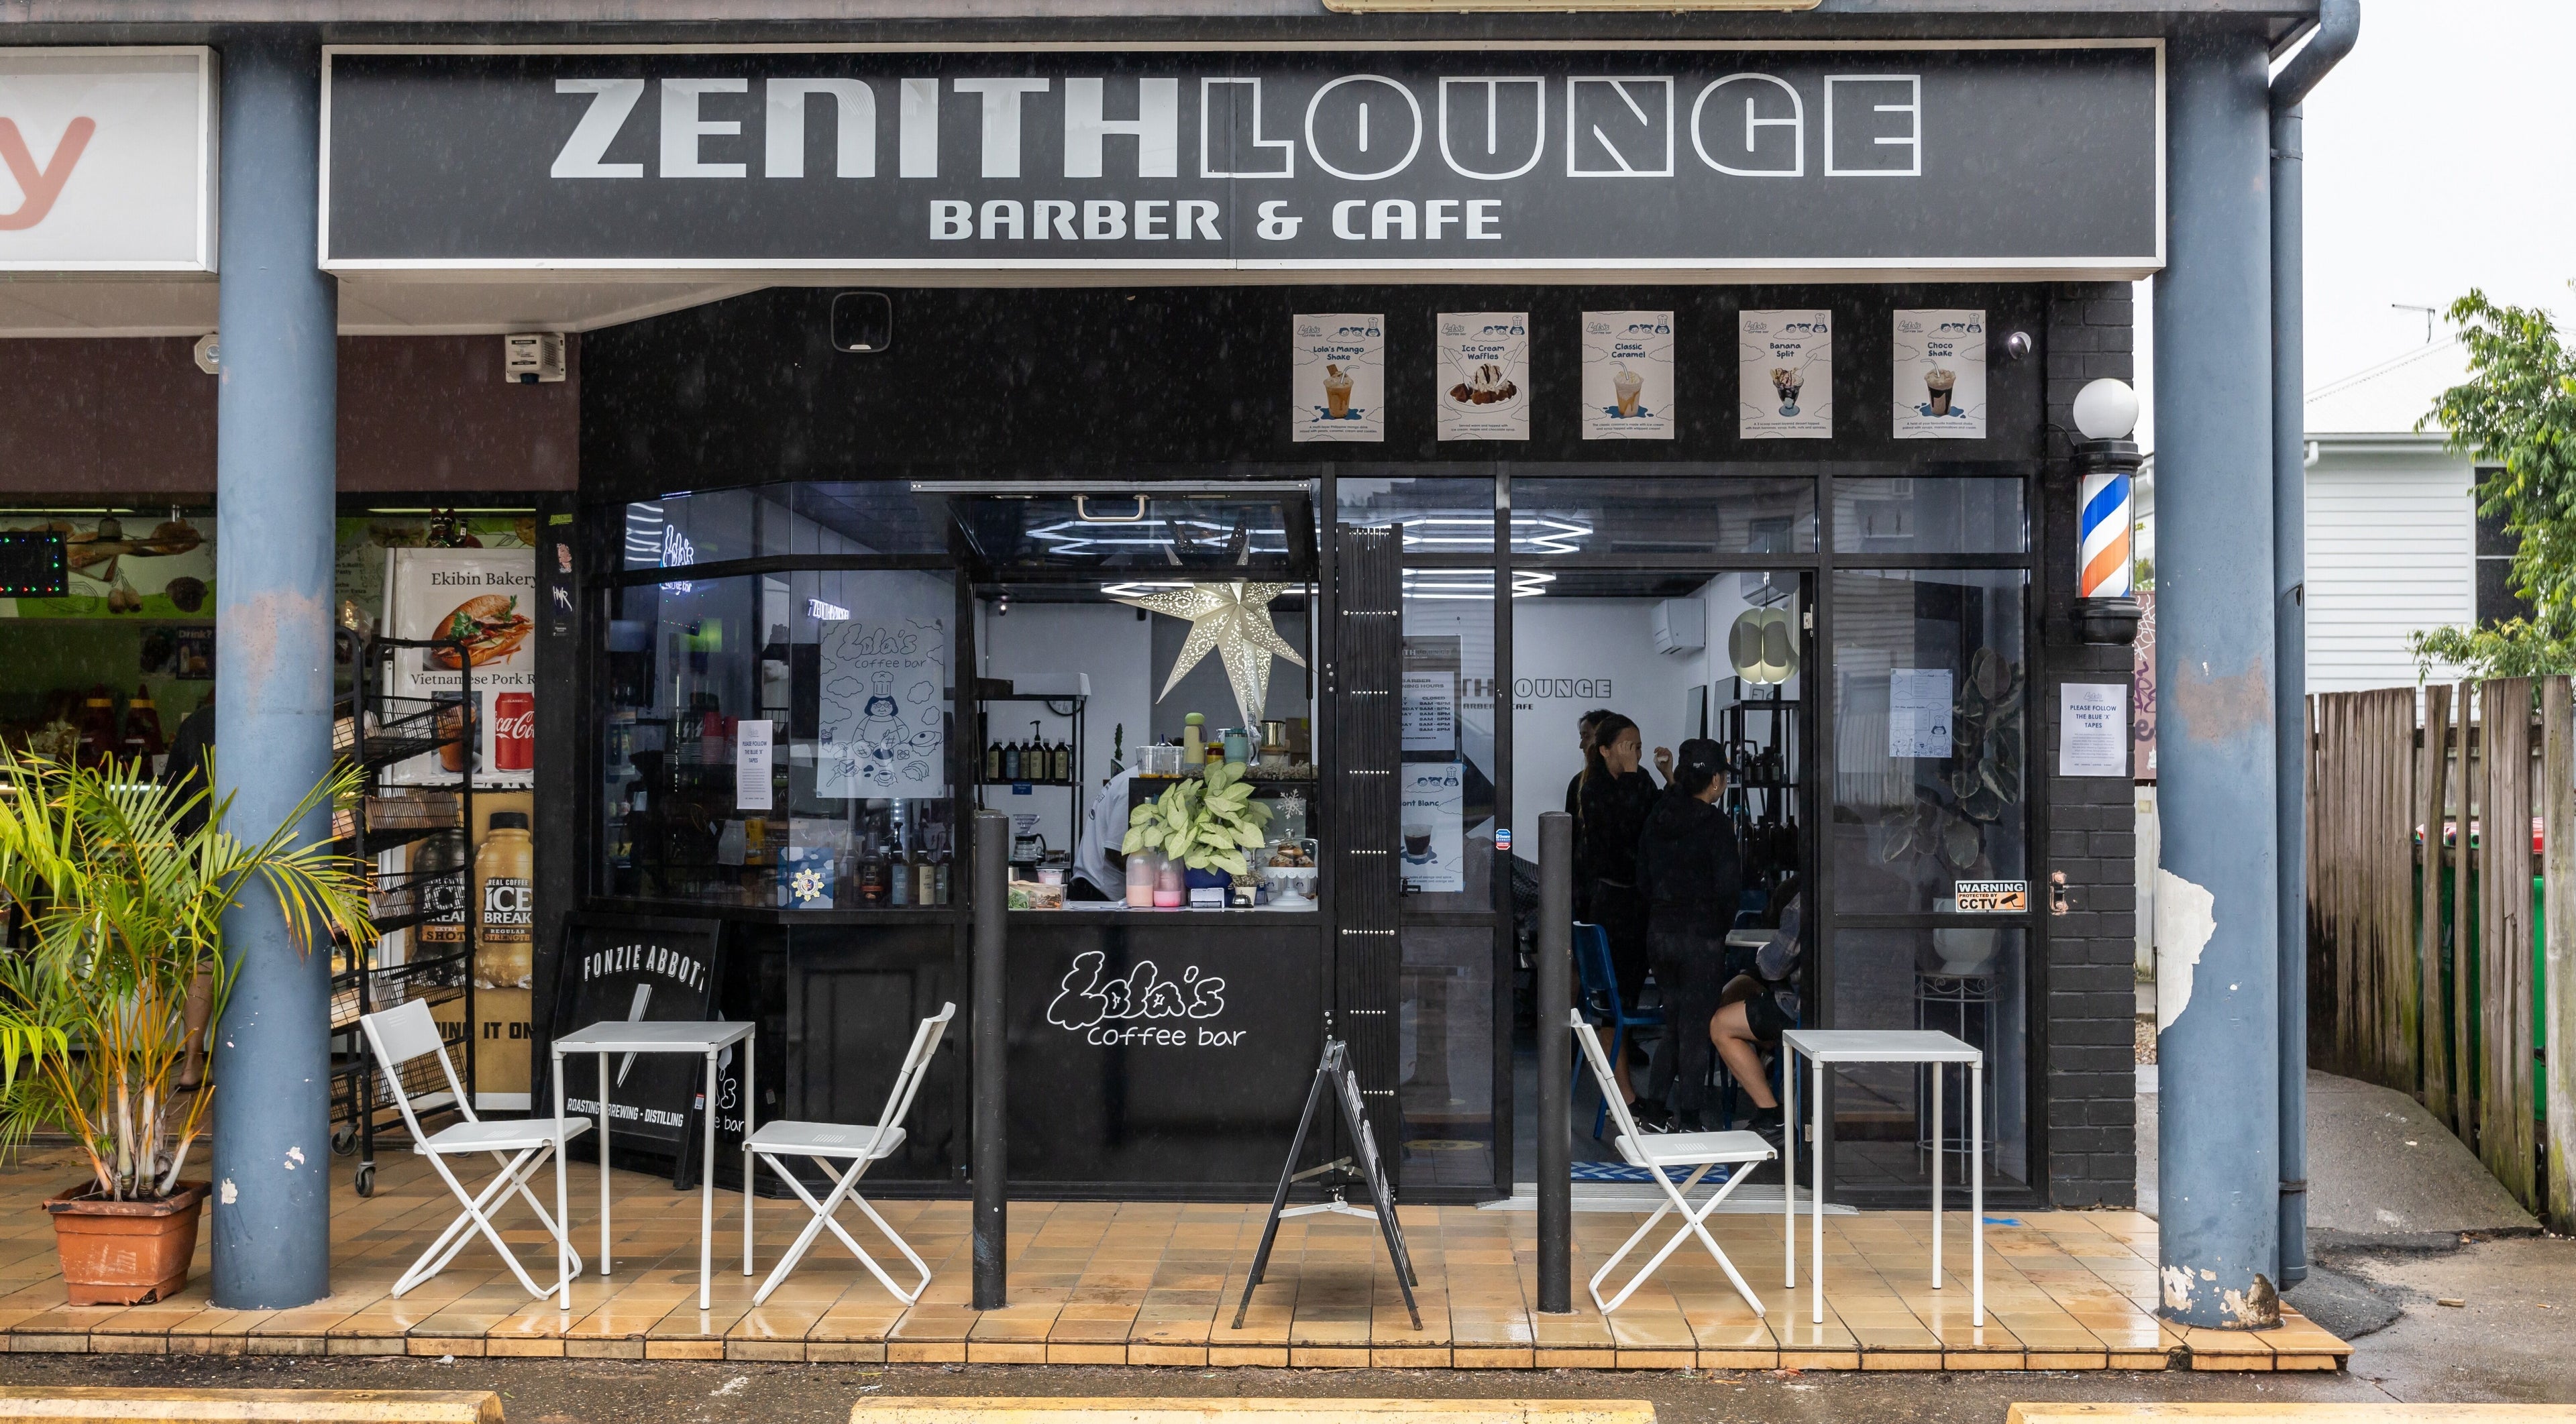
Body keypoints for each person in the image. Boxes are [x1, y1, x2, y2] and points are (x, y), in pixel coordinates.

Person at [1633, 737, 1741, 1132]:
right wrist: (1716, 926)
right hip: (1700, 937)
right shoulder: (1716, 825)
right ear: (1715, 781)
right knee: (1696, 1029)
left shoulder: (1658, 816)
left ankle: (1654, 1111)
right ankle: (1691, 1118)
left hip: (1661, 933)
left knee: (1675, 1023)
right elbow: (1729, 889)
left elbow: (1642, 878)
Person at [1570, 712, 1662, 1119]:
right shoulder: (1593, 789)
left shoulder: (1642, 781)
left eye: (1638, 747)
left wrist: (1663, 776)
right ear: (1605, 750)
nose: (1635, 755)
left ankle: (1624, 1093)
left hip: (1639, 906)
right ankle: (1622, 1096)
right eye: (1627, 747)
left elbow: (1659, 828)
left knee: (1627, 997)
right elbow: (1623, 832)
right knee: (1613, 1003)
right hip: (1611, 906)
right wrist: (1629, 775)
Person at [1711, 889, 1801, 1151]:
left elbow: (1773, 968)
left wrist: (1762, 953)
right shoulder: (1873, 896)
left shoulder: (1804, 904)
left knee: (1720, 1025)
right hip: (1848, 1006)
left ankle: (1771, 1116)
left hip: (1802, 1009)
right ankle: (1771, 1057)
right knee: (1743, 992)